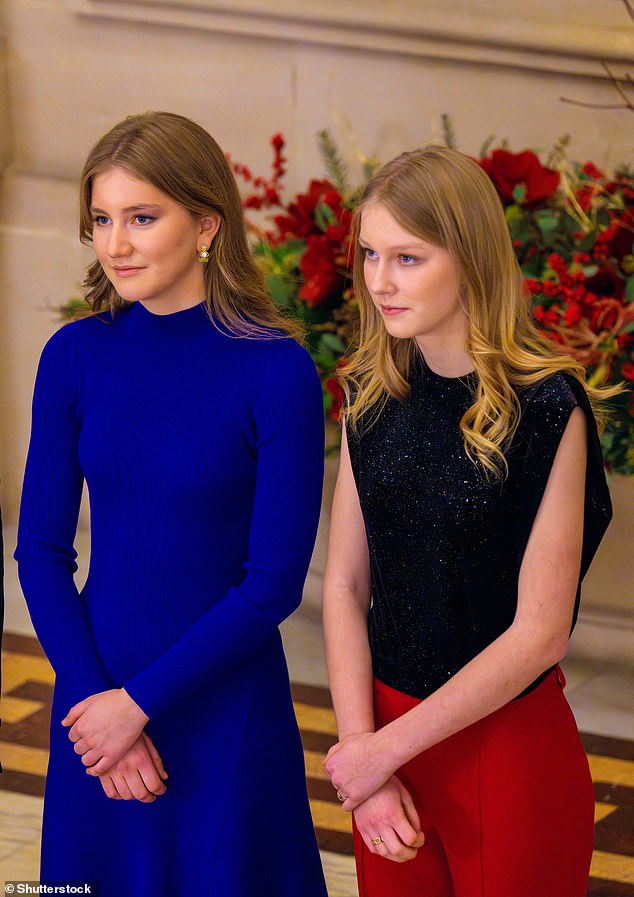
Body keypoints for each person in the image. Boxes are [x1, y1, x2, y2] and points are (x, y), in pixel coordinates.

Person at [16, 111, 328, 897]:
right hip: (93, 703)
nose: (115, 243)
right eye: (101, 219)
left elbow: (272, 584)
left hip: (223, 707)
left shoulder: (278, 372)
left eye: (141, 217)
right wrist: (97, 706)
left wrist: (138, 706)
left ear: (206, 225)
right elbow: (42, 552)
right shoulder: (74, 357)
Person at [322, 145, 615, 897]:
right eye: (370, 256)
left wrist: (382, 749)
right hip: (383, 747)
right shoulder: (371, 393)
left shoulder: (550, 409)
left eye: (409, 258)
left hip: (502, 750)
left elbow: (542, 631)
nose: (379, 281)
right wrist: (365, 750)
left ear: (472, 258)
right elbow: (345, 586)